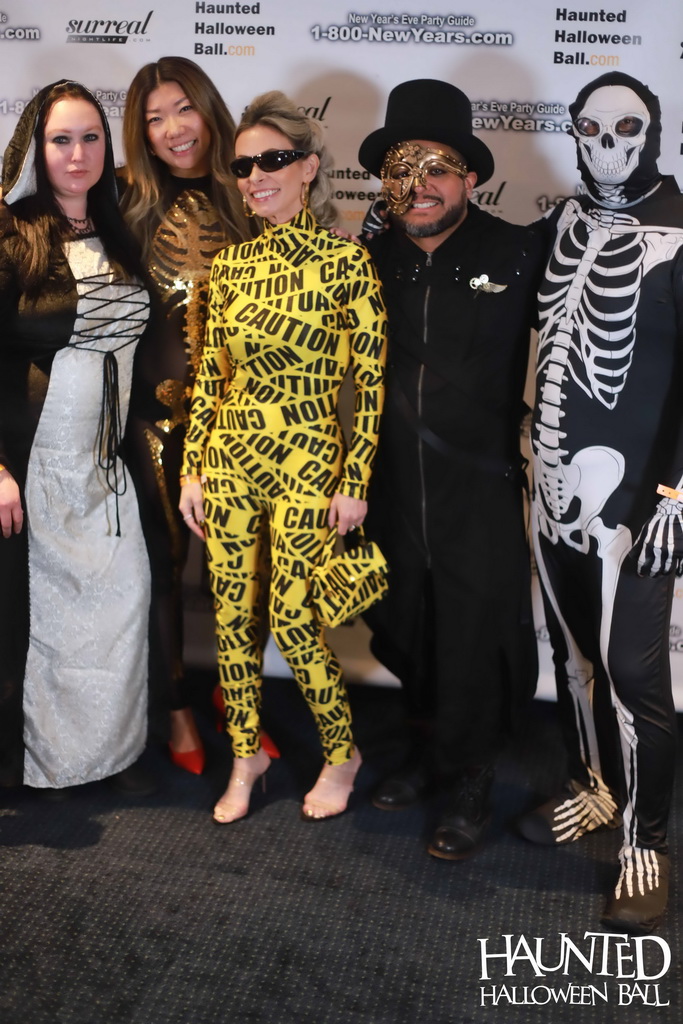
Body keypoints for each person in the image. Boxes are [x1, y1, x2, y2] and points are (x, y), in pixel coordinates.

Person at [179, 90, 387, 823]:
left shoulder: (346, 261)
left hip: (309, 462)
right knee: (232, 619)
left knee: (296, 623)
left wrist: (355, 480)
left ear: (308, 166)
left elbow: (371, 382)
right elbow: (211, 379)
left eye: (272, 160)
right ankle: (247, 756)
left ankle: (342, 753)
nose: (255, 177)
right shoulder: (231, 267)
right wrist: (194, 468)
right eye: (242, 166)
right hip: (231, 459)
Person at [357, 79, 544, 859]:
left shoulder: (518, 251)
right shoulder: (366, 262)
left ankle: (470, 774)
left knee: (475, 632)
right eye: (402, 169)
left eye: (436, 167)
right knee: (405, 622)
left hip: (479, 484)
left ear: (469, 177)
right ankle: (427, 748)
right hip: (390, 487)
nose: (420, 185)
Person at [519, 72, 683, 933]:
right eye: (590, 130)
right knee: (572, 654)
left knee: (633, 675)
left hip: (637, 499)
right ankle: (592, 786)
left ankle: (646, 842)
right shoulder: (561, 223)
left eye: (625, 129)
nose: (607, 146)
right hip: (550, 478)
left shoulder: (681, 232)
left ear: (650, 133)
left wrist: (675, 495)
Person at [0, 81, 153, 795]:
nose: (77, 154)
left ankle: (105, 756)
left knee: (116, 605)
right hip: (33, 461)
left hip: (106, 465)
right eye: (60, 139)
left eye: (91, 137)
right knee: (42, 619)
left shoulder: (121, 232)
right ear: (36, 150)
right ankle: (35, 760)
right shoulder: (11, 235)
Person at [121, 57, 255, 774]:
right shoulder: (123, 200)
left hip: (241, 424)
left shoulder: (253, 188)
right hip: (151, 420)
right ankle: (175, 708)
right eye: (154, 118)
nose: (173, 129)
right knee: (163, 566)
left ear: (209, 109)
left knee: (242, 571)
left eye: (184, 109)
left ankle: (239, 702)